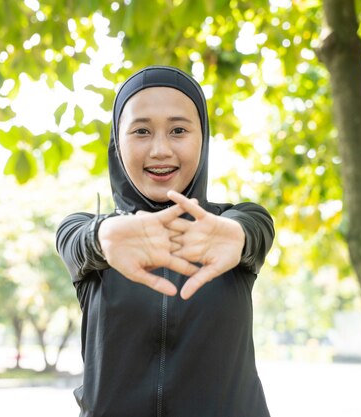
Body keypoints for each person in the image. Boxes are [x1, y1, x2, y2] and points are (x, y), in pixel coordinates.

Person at [56, 65, 275, 417]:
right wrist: (100, 237)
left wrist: (241, 235)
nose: (160, 149)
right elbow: (75, 239)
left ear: (202, 139)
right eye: (141, 131)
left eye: (178, 130)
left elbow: (255, 228)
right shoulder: (93, 232)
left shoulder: (231, 224)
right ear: (117, 142)